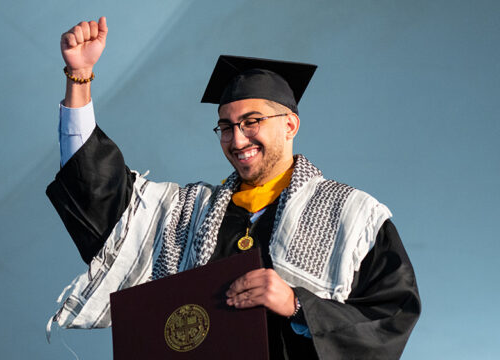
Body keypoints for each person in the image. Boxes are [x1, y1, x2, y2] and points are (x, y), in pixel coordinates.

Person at [46, 17, 421, 359]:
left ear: (290, 125)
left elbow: (390, 315)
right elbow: (99, 192)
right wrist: (79, 78)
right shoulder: (186, 213)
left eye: (251, 121)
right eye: (226, 127)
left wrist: (297, 304)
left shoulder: (353, 216)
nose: (237, 139)